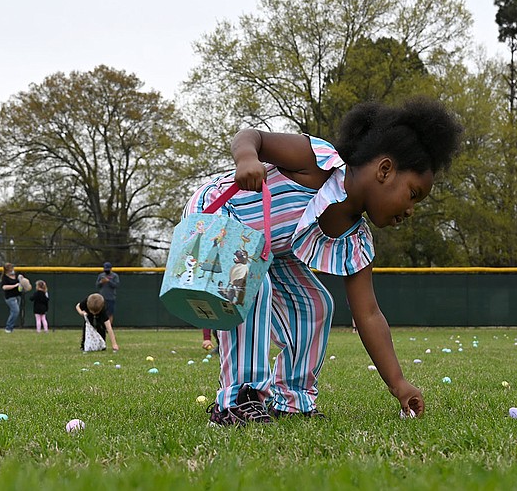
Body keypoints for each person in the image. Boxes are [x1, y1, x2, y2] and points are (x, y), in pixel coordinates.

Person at [183, 97, 462, 426]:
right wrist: (246, 158)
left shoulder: (356, 240)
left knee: (315, 305)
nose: (412, 209)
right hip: (216, 217)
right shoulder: (318, 162)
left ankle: (291, 399)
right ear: (385, 170)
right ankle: (235, 401)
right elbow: (250, 135)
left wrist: (399, 384)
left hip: (268, 251)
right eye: (413, 194)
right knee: (253, 280)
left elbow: (369, 315)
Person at [0, 262, 24, 333]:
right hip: (10, 297)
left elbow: (22, 281)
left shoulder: (16, 275)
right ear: (7, 270)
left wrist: (22, 280)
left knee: (14, 312)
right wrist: (15, 286)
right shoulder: (5, 277)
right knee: (15, 311)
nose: (13, 269)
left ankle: (11, 328)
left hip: (18, 296)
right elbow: (4, 287)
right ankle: (8, 327)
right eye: (11, 268)